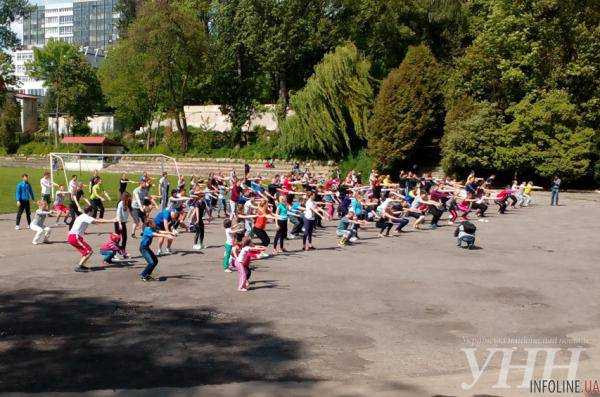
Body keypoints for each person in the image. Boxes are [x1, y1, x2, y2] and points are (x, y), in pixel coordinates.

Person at [68, 206, 115, 272]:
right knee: (88, 251)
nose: (94, 212)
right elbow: (99, 221)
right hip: (75, 237)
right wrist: (112, 220)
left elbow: (97, 220)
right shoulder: (86, 217)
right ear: (90, 211)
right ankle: (79, 266)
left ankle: (82, 265)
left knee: (86, 252)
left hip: (73, 236)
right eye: (93, 211)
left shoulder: (82, 216)